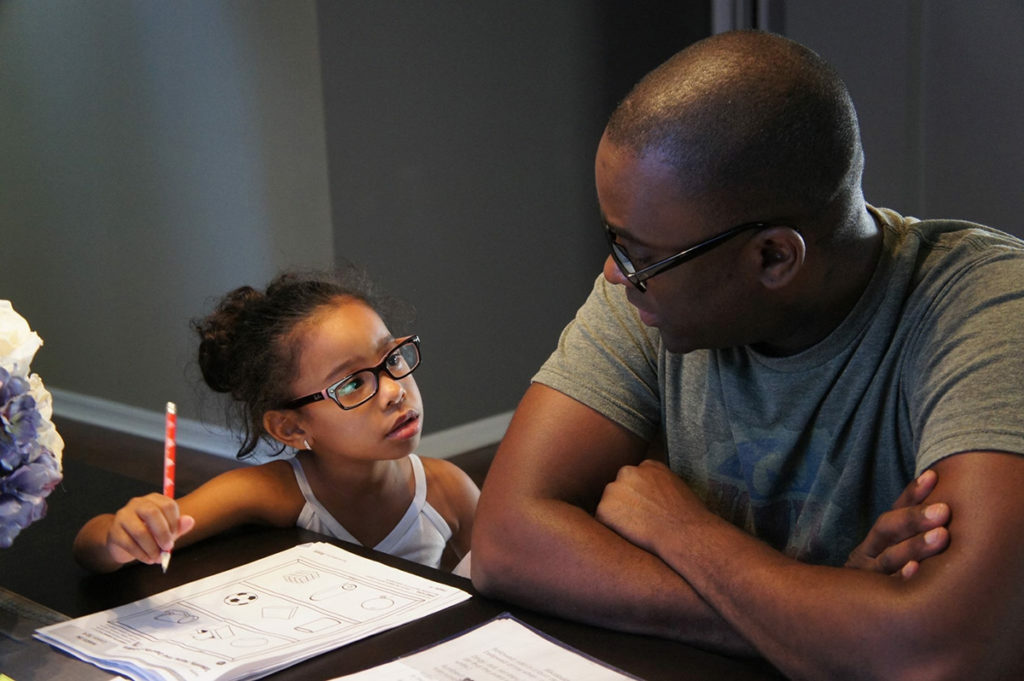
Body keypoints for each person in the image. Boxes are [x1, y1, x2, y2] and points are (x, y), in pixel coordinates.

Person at [472, 30, 1024, 680]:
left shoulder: (989, 306)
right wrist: (824, 620)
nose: (615, 275)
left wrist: (684, 532)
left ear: (773, 257)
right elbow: (506, 541)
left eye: (640, 256)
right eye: (615, 241)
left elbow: (944, 653)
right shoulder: (651, 290)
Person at [74, 271, 479, 574]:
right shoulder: (272, 492)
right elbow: (90, 545)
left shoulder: (448, 491)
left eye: (392, 359)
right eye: (353, 383)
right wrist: (122, 537)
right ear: (291, 428)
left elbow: (509, 576)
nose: (395, 390)